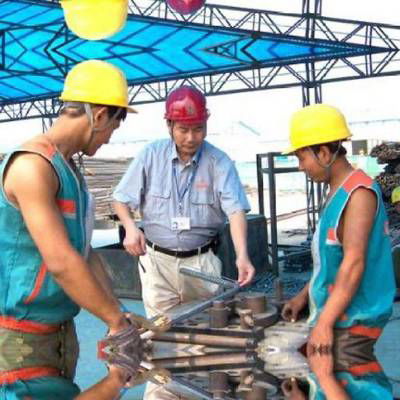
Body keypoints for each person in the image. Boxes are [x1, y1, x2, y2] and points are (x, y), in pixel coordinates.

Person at [0, 59, 139, 381]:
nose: (108, 139)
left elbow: (83, 253)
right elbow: (61, 261)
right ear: (100, 115)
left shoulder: (71, 172)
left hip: (58, 331)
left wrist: (117, 312)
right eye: (113, 128)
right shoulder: (32, 167)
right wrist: (116, 322)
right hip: (19, 337)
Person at [113, 85, 255, 317]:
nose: (191, 138)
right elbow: (120, 199)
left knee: (211, 325)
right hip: (157, 263)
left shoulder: (219, 162)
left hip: (202, 263)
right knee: (160, 332)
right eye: (183, 129)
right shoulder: (151, 156)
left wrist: (242, 255)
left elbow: (236, 211)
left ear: (206, 125)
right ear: (169, 125)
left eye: (198, 129)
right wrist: (130, 228)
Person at [281, 104, 396, 355]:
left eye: (302, 157)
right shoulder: (336, 192)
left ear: (323, 153)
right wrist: (304, 295)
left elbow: (353, 264)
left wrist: (323, 324)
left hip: (354, 322)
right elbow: (330, 261)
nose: (300, 166)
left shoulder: (359, 194)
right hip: (337, 315)